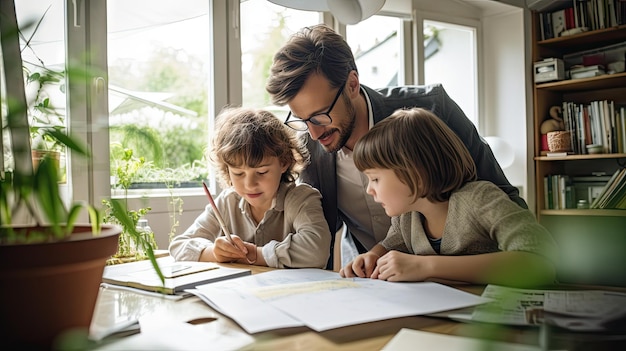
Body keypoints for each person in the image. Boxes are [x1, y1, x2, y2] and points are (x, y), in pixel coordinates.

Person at [266, 24, 526, 269]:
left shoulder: (431, 111)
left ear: (352, 84)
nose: (313, 132)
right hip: (388, 286)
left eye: (321, 115)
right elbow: (316, 230)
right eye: (302, 119)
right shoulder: (308, 146)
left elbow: (504, 200)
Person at [339, 108, 557, 287]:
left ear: (416, 174)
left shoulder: (479, 199)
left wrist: (425, 266)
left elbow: (540, 262)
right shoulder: (407, 218)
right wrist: (372, 257)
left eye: (375, 179)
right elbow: (389, 244)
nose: (370, 190)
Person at [169, 107, 331, 269]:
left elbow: (316, 251)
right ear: (227, 169)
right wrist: (213, 253)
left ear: (284, 162)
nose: (249, 184)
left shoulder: (301, 198)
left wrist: (254, 254)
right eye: (238, 173)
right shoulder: (227, 201)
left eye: (261, 172)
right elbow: (179, 246)